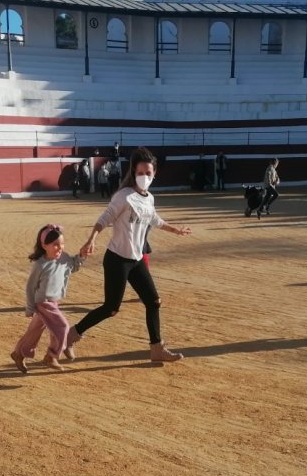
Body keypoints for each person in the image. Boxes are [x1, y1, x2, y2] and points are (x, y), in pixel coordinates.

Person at [65, 147, 192, 363]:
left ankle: (156, 348)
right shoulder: (124, 196)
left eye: (148, 173)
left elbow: (155, 220)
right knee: (111, 308)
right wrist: (91, 238)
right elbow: (105, 218)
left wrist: (176, 230)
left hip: (137, 259)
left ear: (154, 174)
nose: (144, 177)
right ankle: (70, 335)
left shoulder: (149, 198)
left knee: (153, 301)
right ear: (133, 172)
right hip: (117, 260)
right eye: (140, 172)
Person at [11, 224, 84, 373]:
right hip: (43, 302)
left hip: (53, 302)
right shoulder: (40, 264)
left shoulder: (64, 258)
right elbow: (30, 287)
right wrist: (30, 307)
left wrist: (82, 256)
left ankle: (18, 353)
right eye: (55, 244)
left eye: (62, 244)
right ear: (44, 245)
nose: (60, 247)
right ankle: (51, 356)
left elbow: (74, 266)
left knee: (35, 329)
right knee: (62, 327)